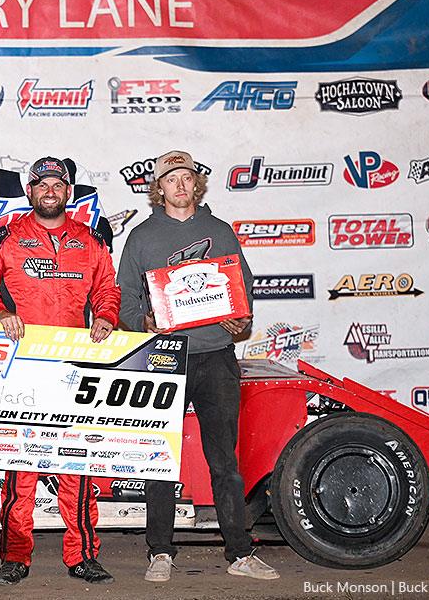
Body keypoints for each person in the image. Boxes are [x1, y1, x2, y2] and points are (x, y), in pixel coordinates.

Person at [116, 150, 279, 582]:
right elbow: (125, 296)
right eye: (171, 179)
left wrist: (240, 317)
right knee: (159, 460)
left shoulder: (220, 231)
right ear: (159, 188)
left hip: (216, 354)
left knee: (224, 460)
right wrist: (143, 322)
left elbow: (241, 288)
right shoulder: (141, 237)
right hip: (165, 356)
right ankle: (160, 551)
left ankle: (240, 552)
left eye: (187, 177)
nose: (180, 185)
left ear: (196, 183)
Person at [0, 156, 121, 586]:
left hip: (76, 368)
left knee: (77, 466)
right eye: (42, 184)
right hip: (22, 370)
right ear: (29, 191)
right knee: (21, 468)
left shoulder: (91, 240)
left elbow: (108, 289)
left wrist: (106, 315)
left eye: (57, 184)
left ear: (68, 191)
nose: (49, 191)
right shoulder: (5, 238)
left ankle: (83, 556)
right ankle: (15, 556)